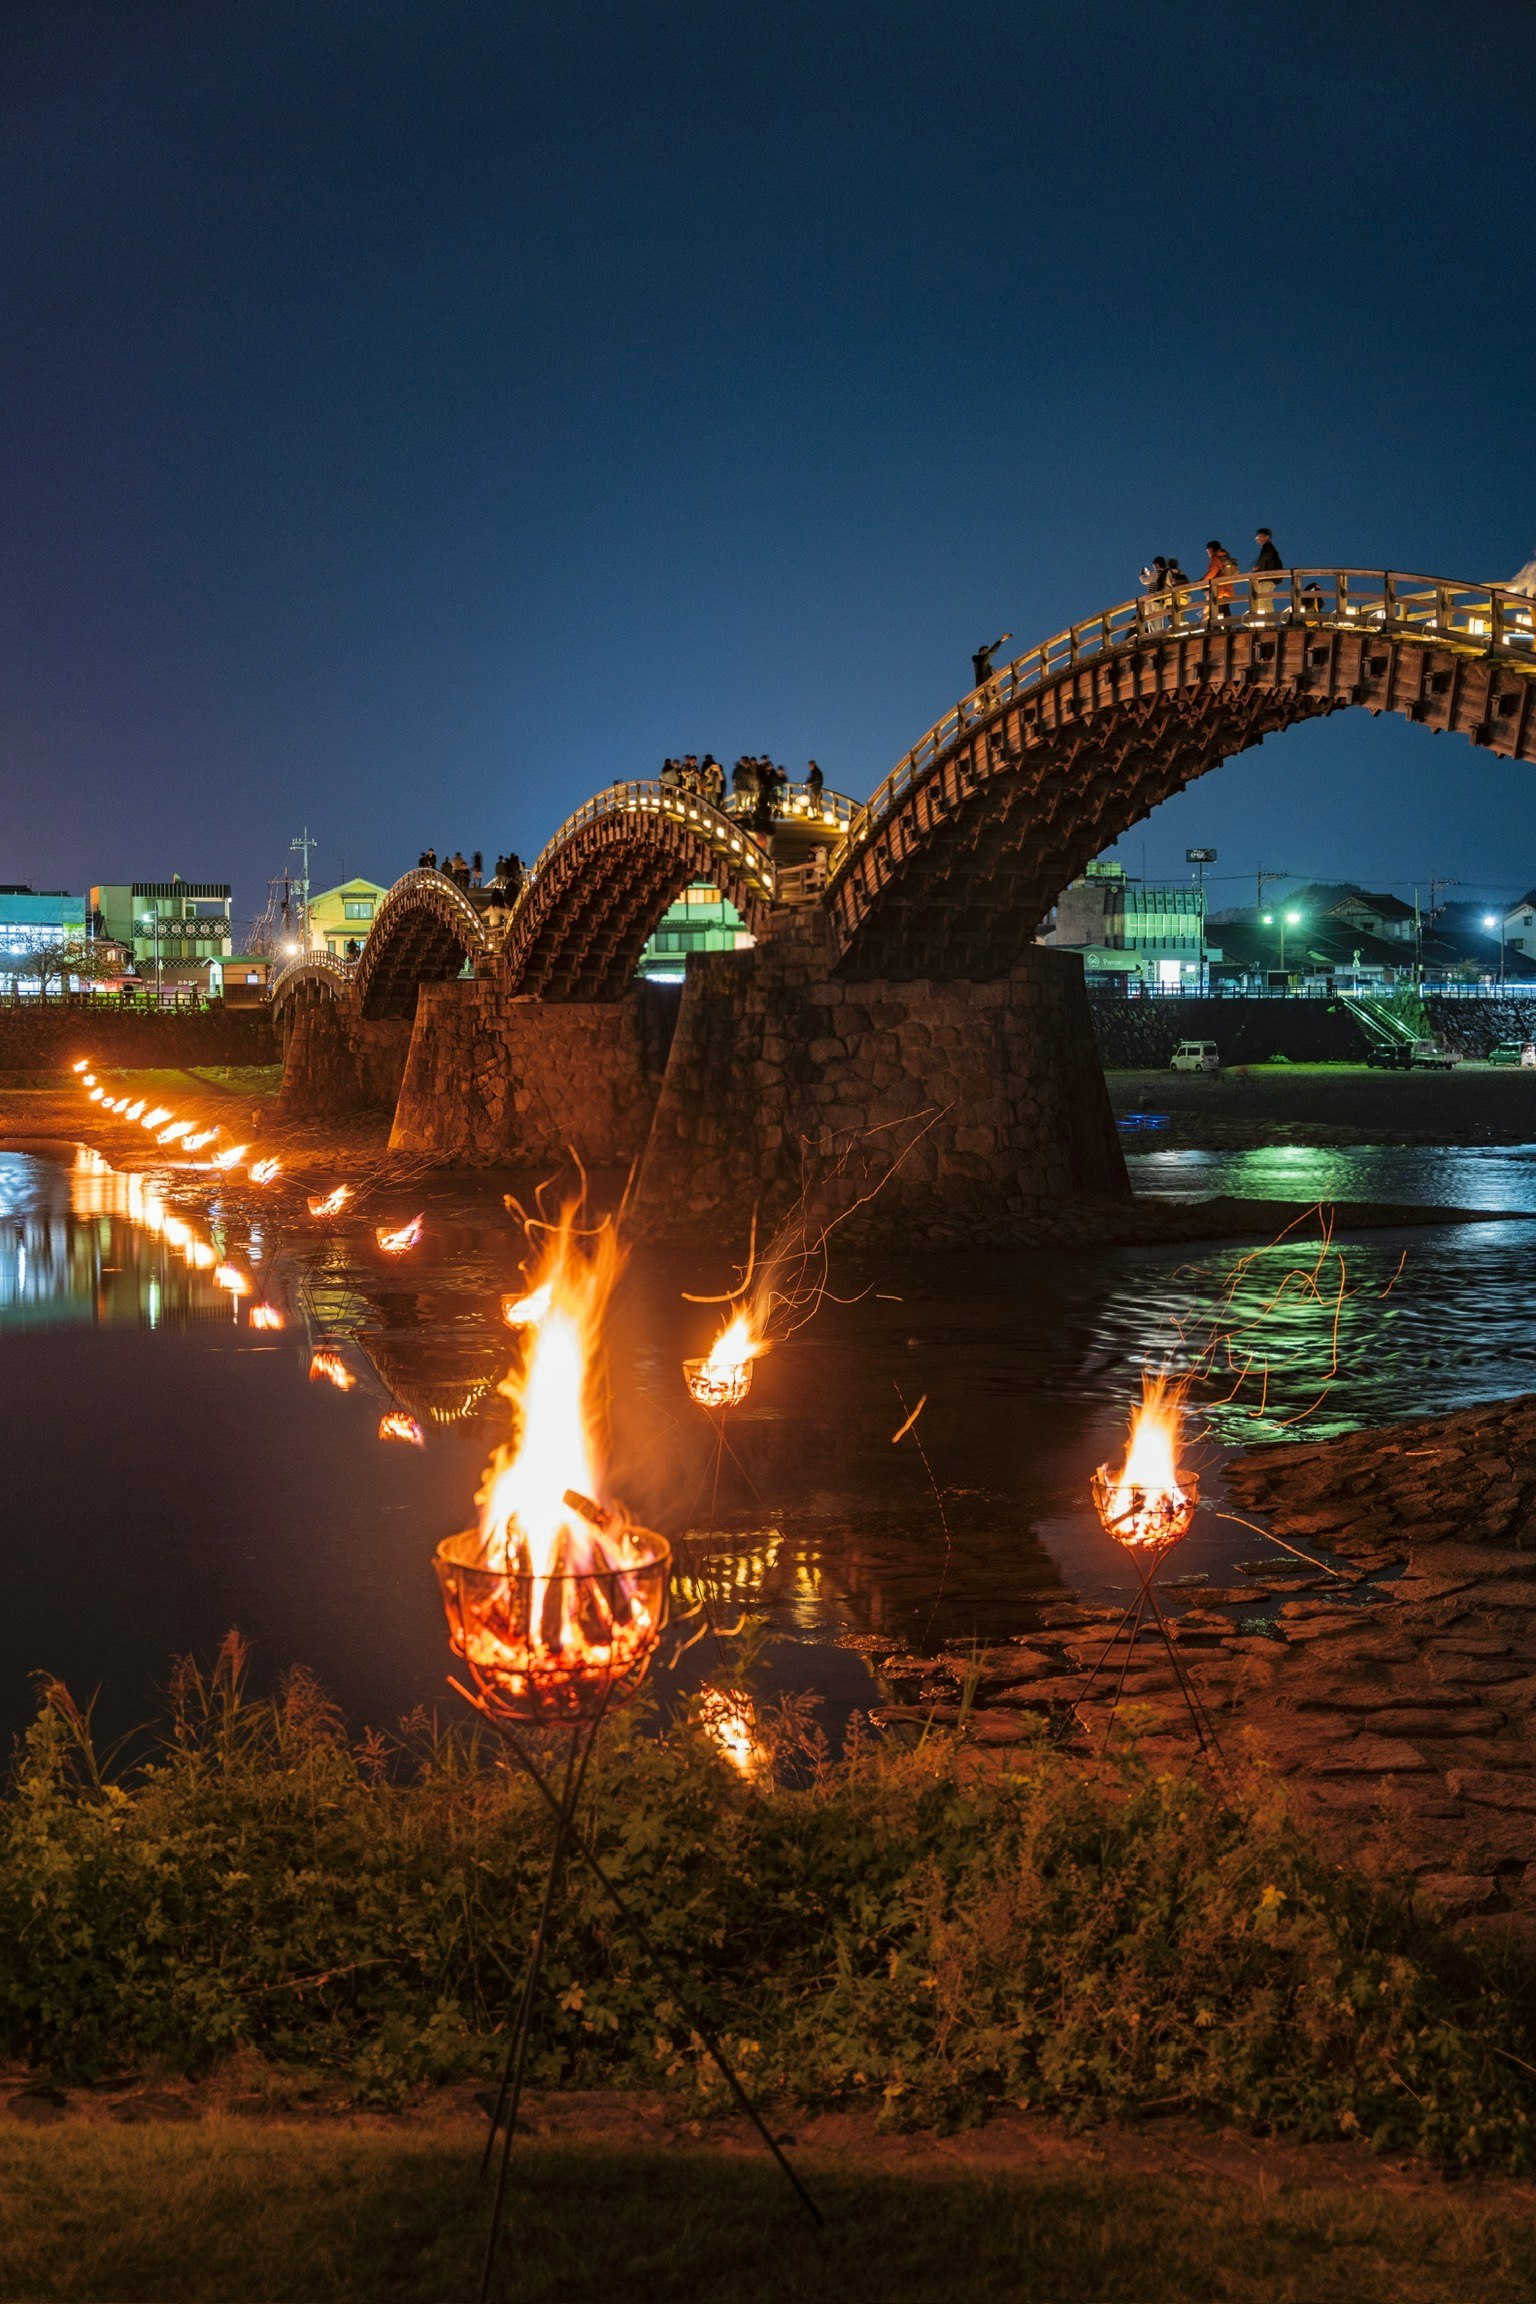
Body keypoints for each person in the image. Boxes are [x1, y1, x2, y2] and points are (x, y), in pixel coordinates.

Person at [1251, 527, 1283, 622]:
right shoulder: (1269, 547)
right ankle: (1268, 622)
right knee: (1265, 600)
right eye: (1258, 537)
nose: (1258, 539)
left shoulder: (1267, 547)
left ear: (1267, 537)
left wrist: (1257, 567)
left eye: (1260, 536)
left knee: (1263, 601)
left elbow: (1266, 556)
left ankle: (1267, 623)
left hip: (1267, 578)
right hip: (1269, 578)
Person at [1204, 540, 1238, 623]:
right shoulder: (1226, 557)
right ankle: (1228, 628)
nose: (1208, 553)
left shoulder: (1216, 558)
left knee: (1218, 610)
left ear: (1211, 549)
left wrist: (1202, 581)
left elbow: (1212, 573)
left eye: (1207, 551)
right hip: (1229, 589)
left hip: (1219, 590)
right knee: (1225, 609)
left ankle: (1218, 628)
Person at [1140, 556, 1170, 631]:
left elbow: (1145, 581)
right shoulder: (1165, 573)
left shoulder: (1156, 572)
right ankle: (1159, 634)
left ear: (1157, 564)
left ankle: (1155, 637)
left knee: (1151, 619)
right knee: (1159, 619)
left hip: (1152, 600)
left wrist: (1143, 574)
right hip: (1161, 600)